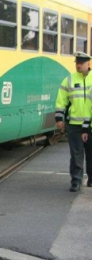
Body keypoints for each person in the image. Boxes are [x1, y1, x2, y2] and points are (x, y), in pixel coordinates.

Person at [56, 51, 92, 192]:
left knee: (91, 154)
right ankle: (76, 181)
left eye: (81, 63)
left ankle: (91, 179)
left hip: (90, 125)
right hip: (75, 125)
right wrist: (59, 118)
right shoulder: (69, 80)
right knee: (76, 154)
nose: (78, 65)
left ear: (88, 63)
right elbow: (61, 100)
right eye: (77, 63)